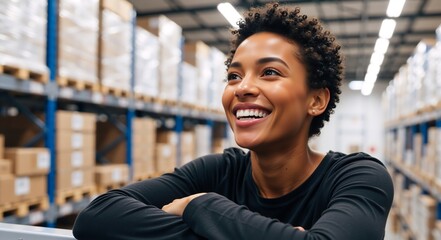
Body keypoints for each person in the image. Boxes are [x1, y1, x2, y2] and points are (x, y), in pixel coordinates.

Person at [73, 2, 394, 239]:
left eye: (270, 72)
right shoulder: (218, 170)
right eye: (234, 75)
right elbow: (97, 217)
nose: (242, 88)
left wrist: (199, 207)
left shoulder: (358, 178)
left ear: (316, 100)